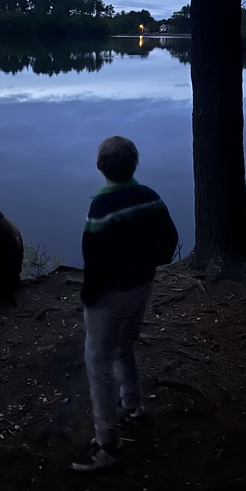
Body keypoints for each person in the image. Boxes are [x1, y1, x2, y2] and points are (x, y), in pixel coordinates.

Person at [72, 136, 179, 472]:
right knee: (123, 345)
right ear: (135, 164)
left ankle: (107, 443)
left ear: (99, 166)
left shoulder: (101, 208)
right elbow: (169, 241)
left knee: (97, 358)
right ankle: (132, 406)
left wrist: (89, 295)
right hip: (142, 285)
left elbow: (95, 259)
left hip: (110, 294)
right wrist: (148, 264)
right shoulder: (151, 197)